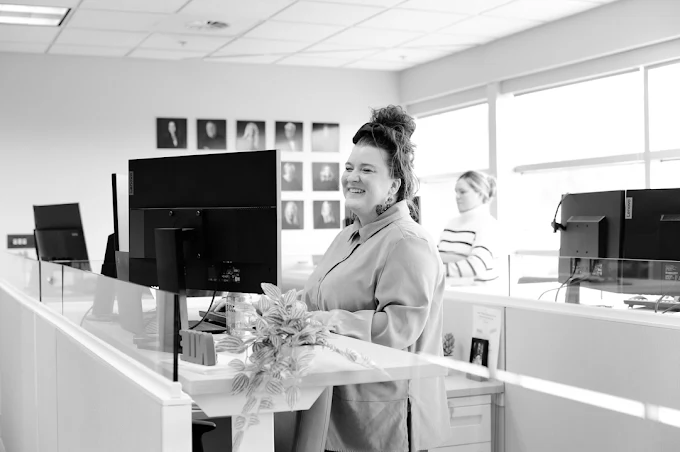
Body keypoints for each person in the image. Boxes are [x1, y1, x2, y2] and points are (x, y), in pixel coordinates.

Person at [299, 104, 449, 452]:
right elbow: (315, 300)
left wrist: (323, 322)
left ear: (394, 184)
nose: (352, 176)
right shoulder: (348, 236)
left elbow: (397, 328)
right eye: (349, 167)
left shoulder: (407, 242)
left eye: (367, 169)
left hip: (384, 423)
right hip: (334, 410)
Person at [438, 171, 500, 282]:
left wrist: (437, 270)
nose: (457, 197)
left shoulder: (488, 225)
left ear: (480, 194)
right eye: (456, 192)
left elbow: (476, 266)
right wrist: (460, 260)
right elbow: (434, 259)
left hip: (476, 296)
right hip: (446, 293)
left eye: (462, 192)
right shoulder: (451, 224)